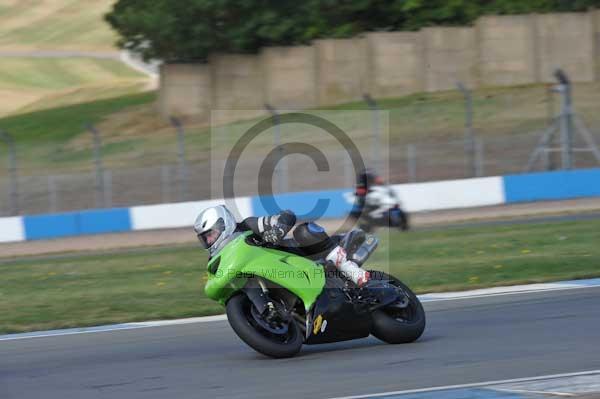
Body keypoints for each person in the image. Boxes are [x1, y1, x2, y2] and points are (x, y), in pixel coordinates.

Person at [193, 205, 374, 287]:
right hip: (279, 276)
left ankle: (349, 268)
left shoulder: (247, 226)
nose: (209, 241)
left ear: (222, 224)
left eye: (210, 235)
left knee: (303, 231)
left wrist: (278, 230)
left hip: (298, 256)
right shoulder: (217, 259)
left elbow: (287, 215)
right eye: (205, 239)